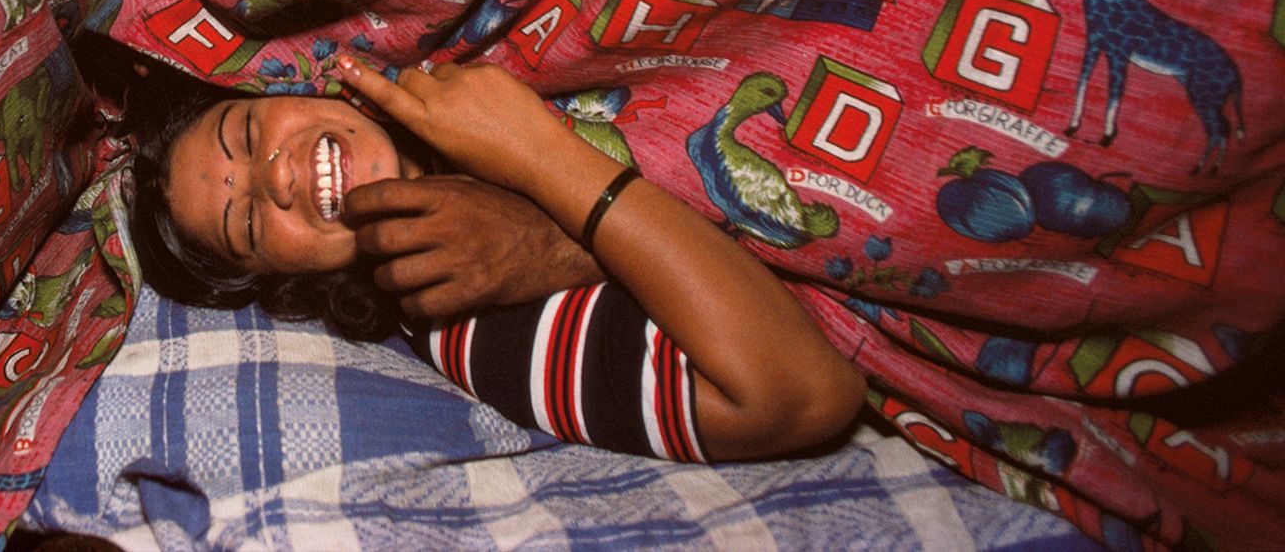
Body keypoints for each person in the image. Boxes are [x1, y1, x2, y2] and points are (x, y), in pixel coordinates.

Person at [83, 31, 864, 464]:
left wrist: (554, 233)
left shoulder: (434, 27)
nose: (279, 176)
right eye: (251, 221)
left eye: (250, 132)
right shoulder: (473, 326)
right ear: (292, 283)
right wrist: (545, 165)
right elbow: (801, 396)